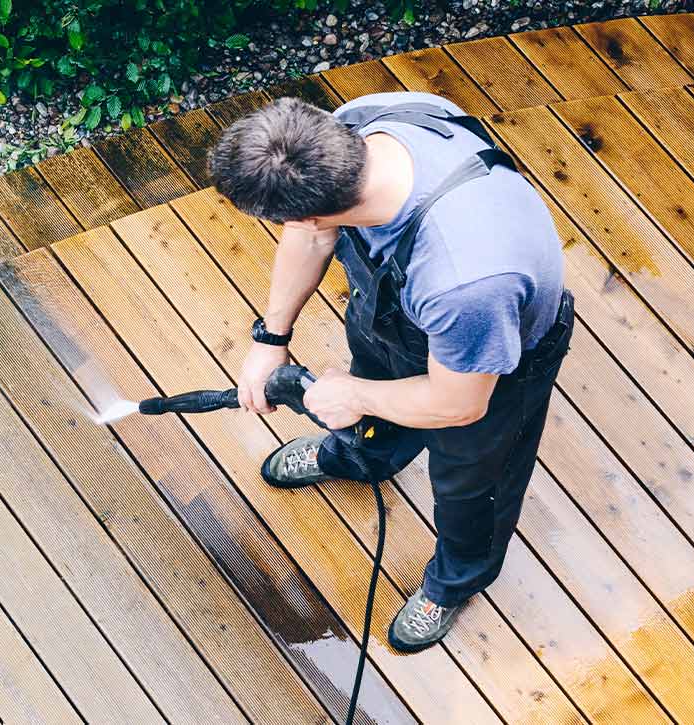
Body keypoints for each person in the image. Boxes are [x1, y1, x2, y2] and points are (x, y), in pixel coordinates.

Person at [208, 92, 573, 653]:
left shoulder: (465, 278)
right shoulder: (360, 125)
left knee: (472, 487)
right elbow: (312, 233)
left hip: (490, 372)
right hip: (394, 320)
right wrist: (271, 338)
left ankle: (455, 581)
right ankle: (363, 457)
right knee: (372, 404)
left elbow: (458, 404)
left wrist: (353, 394)